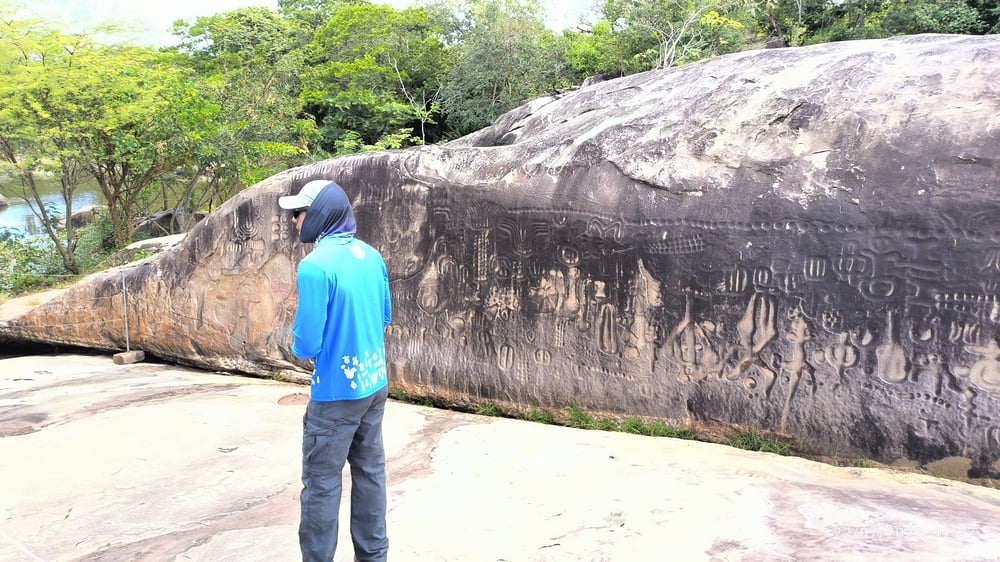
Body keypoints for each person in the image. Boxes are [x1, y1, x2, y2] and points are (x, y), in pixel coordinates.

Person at [279, 179, 392, 562]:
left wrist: (298, 343)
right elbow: (385, 316)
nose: (295, 220)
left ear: (321, 213)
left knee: (322, 486)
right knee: (370, 473)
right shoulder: (372, 256)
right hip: (374, 384)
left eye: (300, 212)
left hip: (335, 397)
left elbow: (307, 343)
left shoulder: (314, 266)